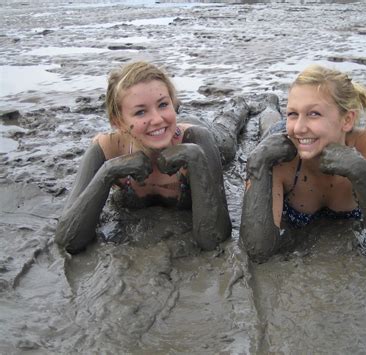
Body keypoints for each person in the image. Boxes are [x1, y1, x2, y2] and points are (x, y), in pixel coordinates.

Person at [55, 61, 250, 254]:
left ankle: (242, 104)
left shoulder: (197, 140)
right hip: (163, 130)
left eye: (163, 104)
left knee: (228, 130)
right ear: (118, 122)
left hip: (206, 135)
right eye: (140, 112)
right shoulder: (106, 148)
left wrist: (195, 157)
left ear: (174, 105)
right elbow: (68, 239)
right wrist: (108, 171)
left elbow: (214, 240)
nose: (156, 118)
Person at [240, 64, 366, 263]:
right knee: (269, 122)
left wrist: (359, 172)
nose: (299, 127)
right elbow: (258, 252)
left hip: (313, 141)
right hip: (278, 133)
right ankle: (270, 105)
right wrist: (257, 160)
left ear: (347, 120)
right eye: (292, 113)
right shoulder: (278, 159)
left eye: (314, 114)